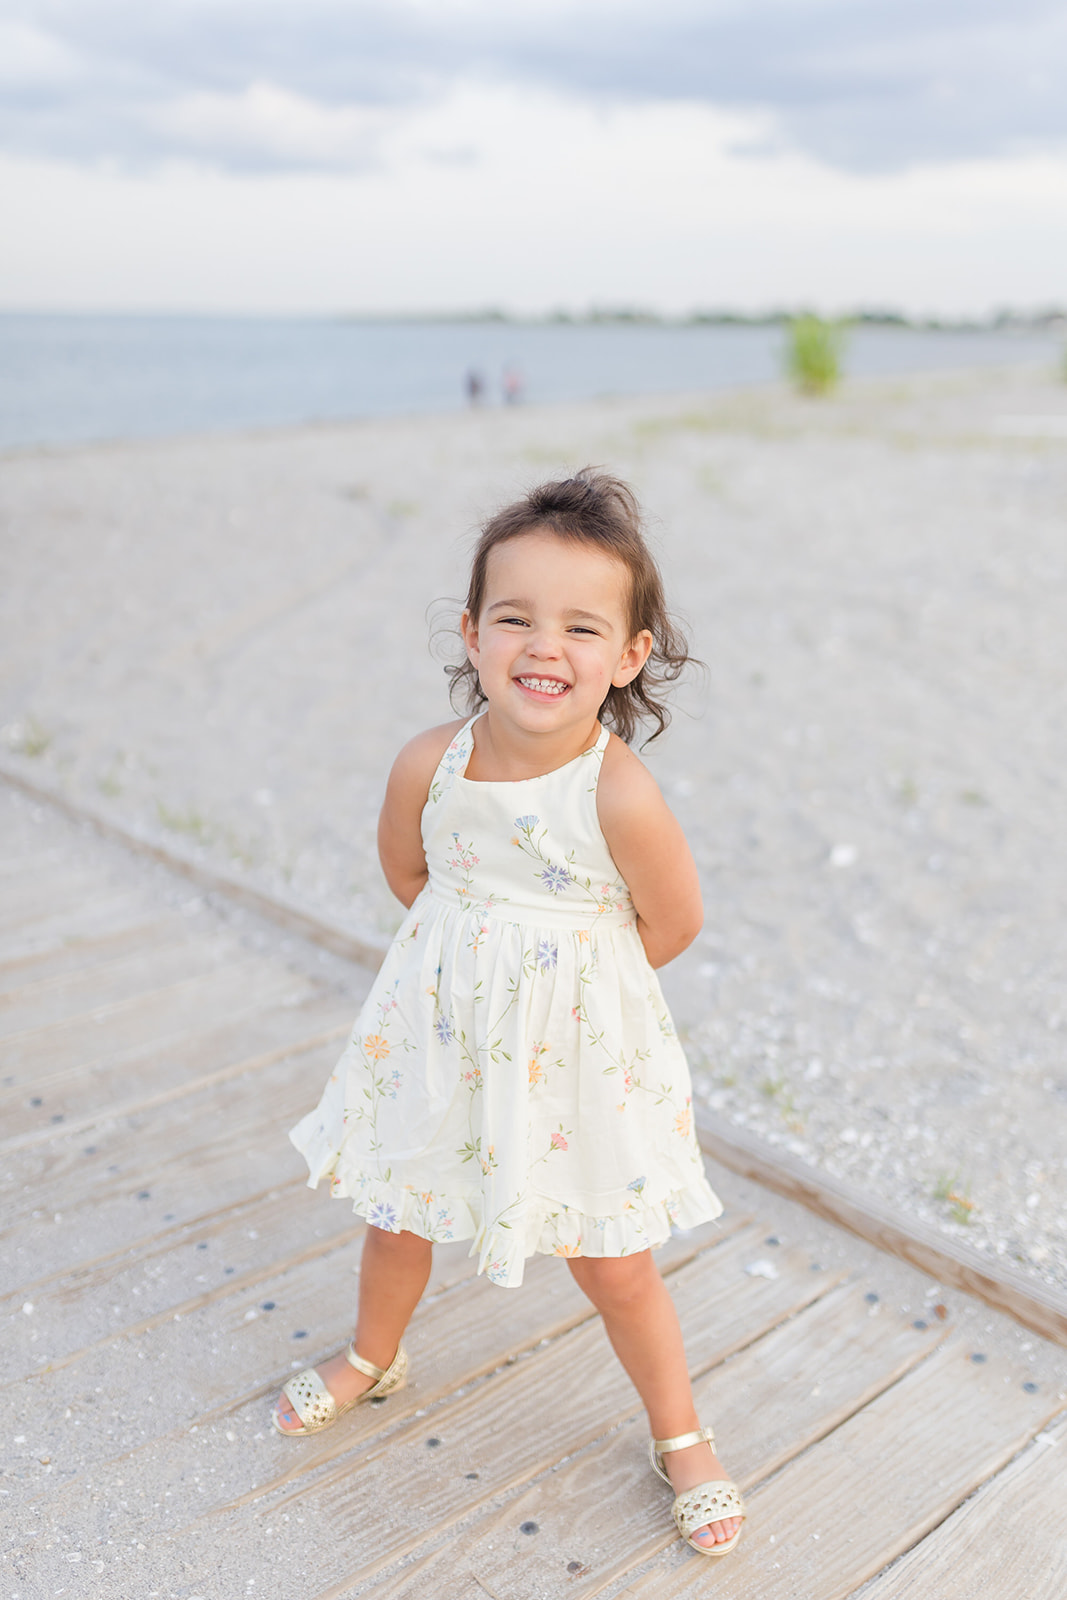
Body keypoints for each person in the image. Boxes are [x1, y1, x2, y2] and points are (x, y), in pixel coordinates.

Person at [273, 470, 745, 1557]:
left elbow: (669, 923)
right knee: (397, 1213)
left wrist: (559, 984)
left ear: (627, 655)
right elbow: (412, 876)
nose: (545, 645)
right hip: (437, 1036)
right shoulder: (426, 764)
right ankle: (371, 1353)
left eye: (582, 625)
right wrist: (472, 962)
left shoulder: (615, 791)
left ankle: (678, 1430)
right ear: (472, 633)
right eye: (515, 616)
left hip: (575, 1056)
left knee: (610, 1257)